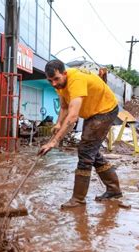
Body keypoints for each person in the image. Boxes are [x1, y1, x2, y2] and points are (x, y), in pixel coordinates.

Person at [38, 59, 122, 208]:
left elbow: (72, 117)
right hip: (92, 113)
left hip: (105, 110)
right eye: (50, 81)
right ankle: (114, 189)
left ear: (64, 73)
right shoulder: (59, 84)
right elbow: (64, 107)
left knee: (85, 151)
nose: (54, 84)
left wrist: (54, 141)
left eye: (56, 79)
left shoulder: (75, 80)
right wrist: (58, 123)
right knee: (91, 152)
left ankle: (78, 199)